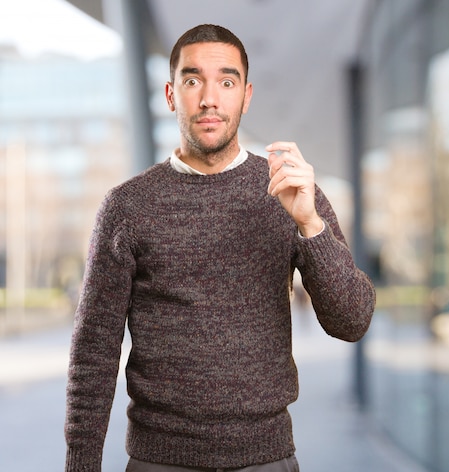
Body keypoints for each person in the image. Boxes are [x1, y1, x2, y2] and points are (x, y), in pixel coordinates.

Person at [64, 24, 376, 472]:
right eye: (193, 81)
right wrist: (80, 465)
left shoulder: (290, 192)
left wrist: (310, 225)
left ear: (246, 96)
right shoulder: (127, 207)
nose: (210, 98)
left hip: (267, 459)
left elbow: (353, 321)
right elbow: (93, 352)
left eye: (226, 82)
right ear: (171, 95)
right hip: (159, 461)